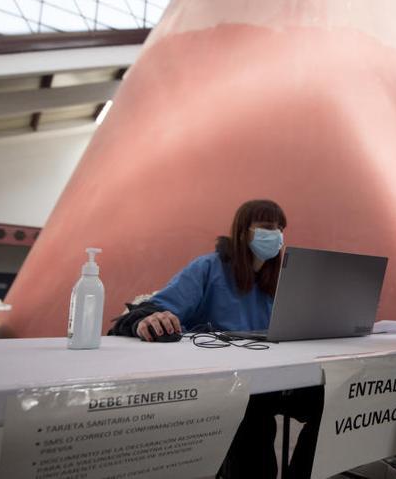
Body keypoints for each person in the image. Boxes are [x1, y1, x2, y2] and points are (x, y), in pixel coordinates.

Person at [109, 199, 323, 478]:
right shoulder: (209, 268)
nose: (277, 235)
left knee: (330, 402)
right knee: (253, 419)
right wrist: (146, 320)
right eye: (267, 227)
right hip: (228, 384)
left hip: (274, 378)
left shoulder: (277, 281)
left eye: (281, 228)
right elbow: (152, 309)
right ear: (244, 231)